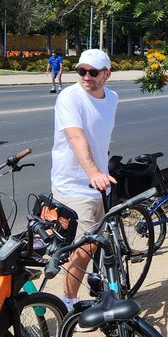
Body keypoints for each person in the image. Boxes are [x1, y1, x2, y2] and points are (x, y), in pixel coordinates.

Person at [51, 48, 119, 309]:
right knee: (83, 249)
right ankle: (67, 303)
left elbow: (100, 136)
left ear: (107, 74)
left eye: (93, 72)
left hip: (100, 183)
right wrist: (93, 173)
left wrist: (103, 169)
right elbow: (77, 137)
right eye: (81, 71)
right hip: (74, 184)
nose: (86, 77)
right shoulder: (69, 97)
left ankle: (99, 287)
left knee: (96, 243)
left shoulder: (112, 98)